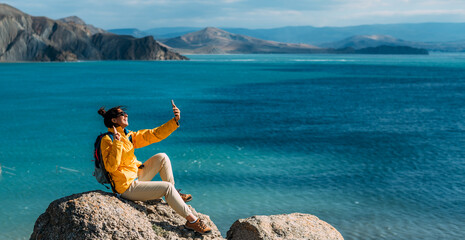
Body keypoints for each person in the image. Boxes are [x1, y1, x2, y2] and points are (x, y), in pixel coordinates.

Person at [97, 101, 211, 235]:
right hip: (126, 188)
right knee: (166, 187)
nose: (126, 115)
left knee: (162, 157)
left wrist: (174, 121)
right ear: (114, 120)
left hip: (136, 177)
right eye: (122, 114)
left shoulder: (128, 136)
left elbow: (153, 134)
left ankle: (175, 195)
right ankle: (192, 222)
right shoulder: (107, 140)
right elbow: (110, 167)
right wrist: (117, 143)